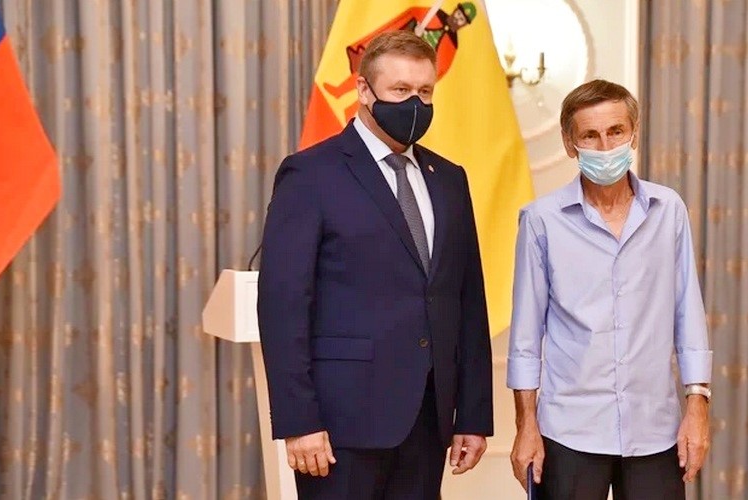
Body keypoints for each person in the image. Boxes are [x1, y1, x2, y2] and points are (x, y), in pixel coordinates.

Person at [257, 30, 493, 499]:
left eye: (425, 91)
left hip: (428, 421)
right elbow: (283, 305)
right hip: (339, 426)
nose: (415, 104)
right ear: (364, 90)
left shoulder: (449, 179)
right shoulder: (311, 173)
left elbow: (467, 301)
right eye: (400, 90)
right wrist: (298, 421)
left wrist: (472, 414)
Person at [507, 79, 712, 499]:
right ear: (570, 144)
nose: (605, 146)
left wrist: (698, 407)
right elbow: (526, 336)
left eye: (616, 131)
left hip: (655, 429)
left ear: (634, 132)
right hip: (570, 431)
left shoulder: (668, 210)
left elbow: (688, 313)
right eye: (590, 135)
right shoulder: (542, 220)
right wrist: (525, 425)